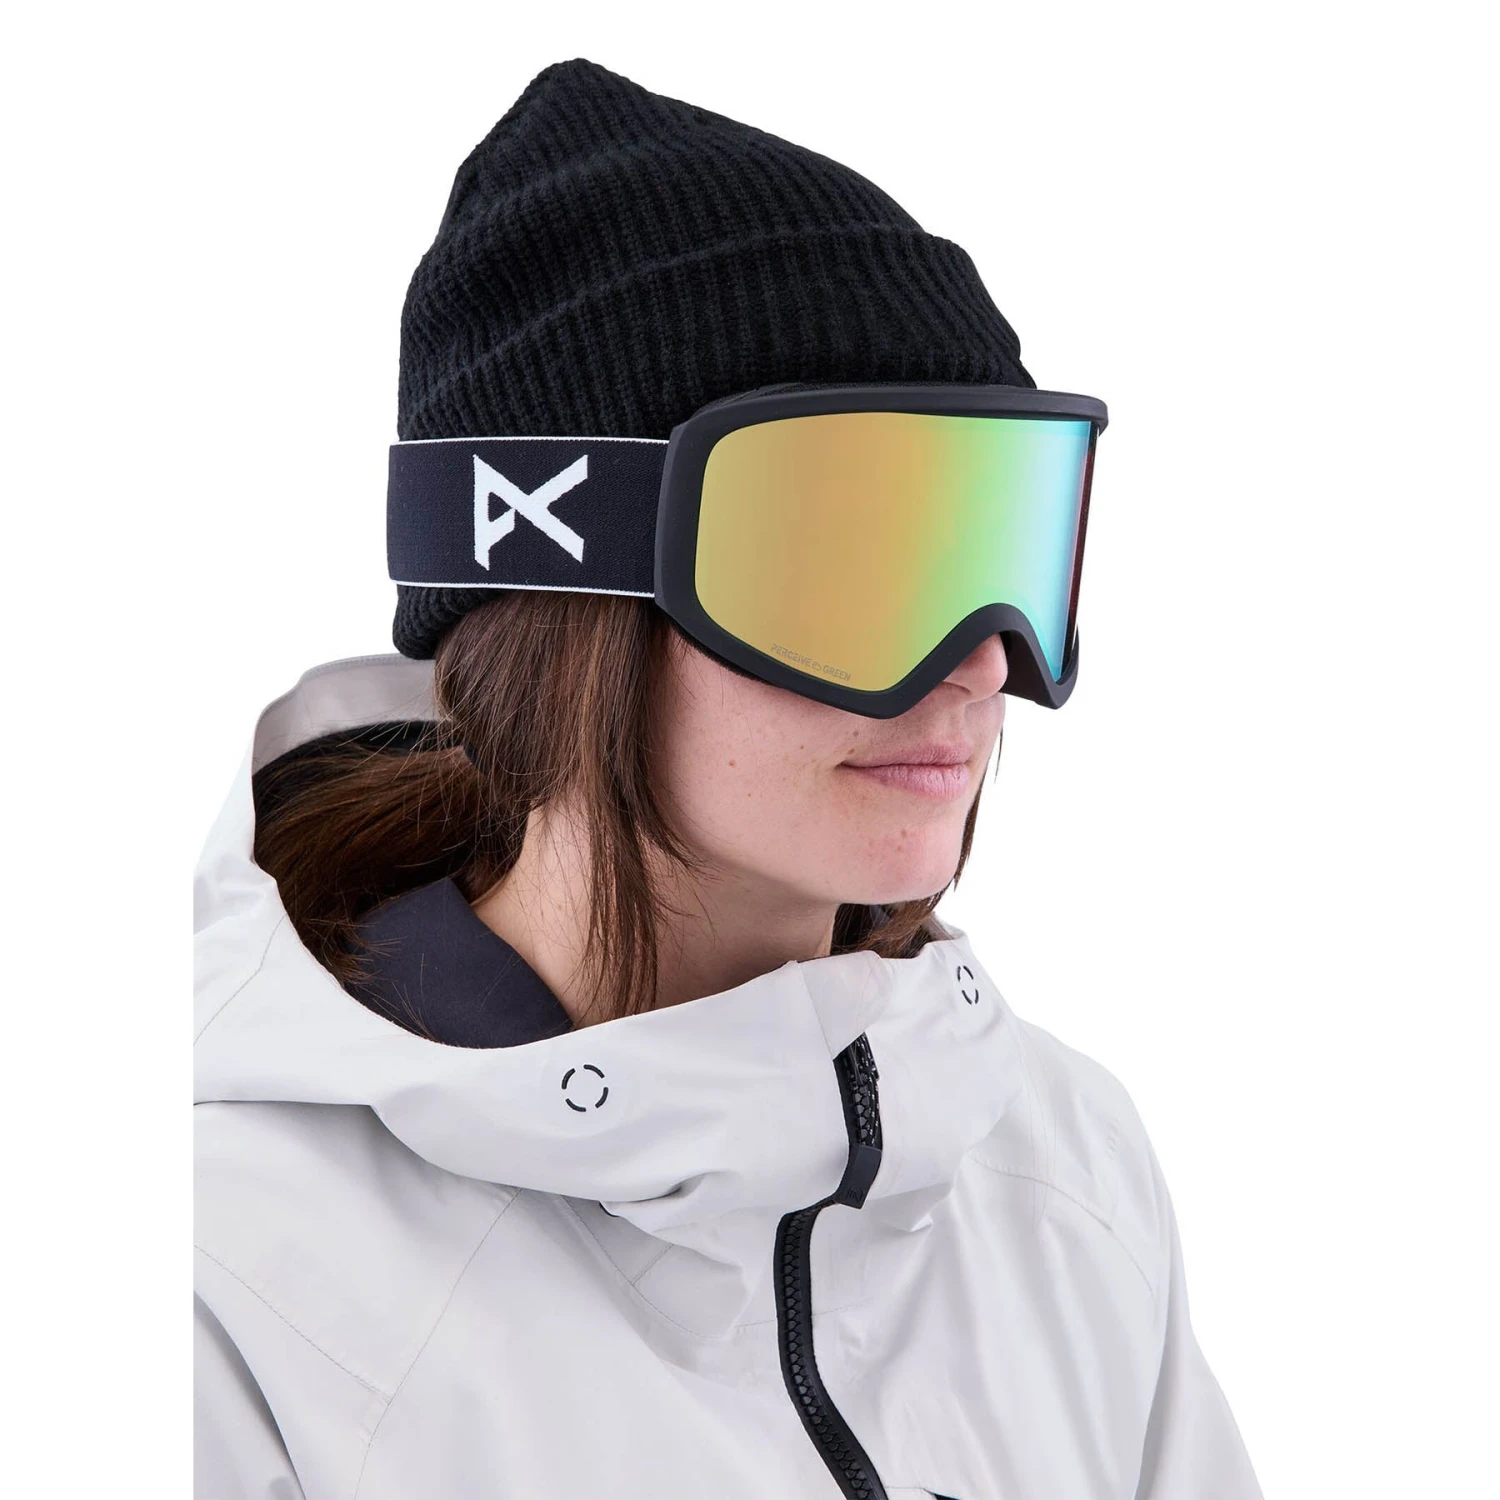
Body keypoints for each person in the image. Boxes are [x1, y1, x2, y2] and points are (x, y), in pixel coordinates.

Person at [193, 56, 1263, 1500]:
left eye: (1003, 542)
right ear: (566, 592)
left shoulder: (1059, 1169)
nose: (979, 665)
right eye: (851, 561)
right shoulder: (232, 1273)